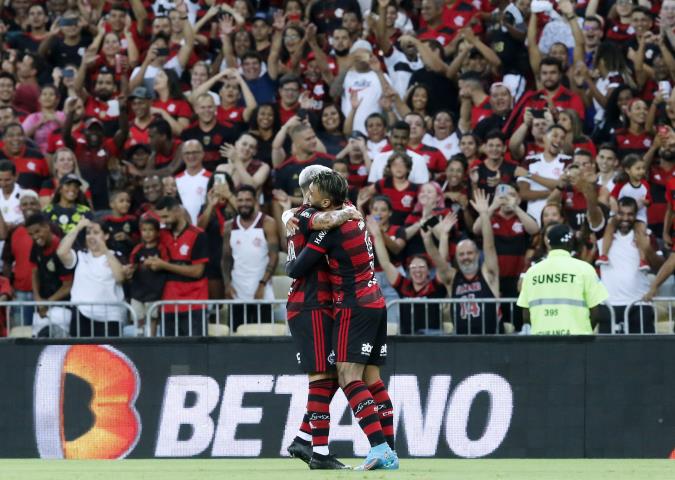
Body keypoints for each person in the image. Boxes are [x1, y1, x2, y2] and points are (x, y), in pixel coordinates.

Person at [286, 171, 398, 471]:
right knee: (369, 379)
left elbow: (296, 268)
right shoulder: (351, 211)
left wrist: (289, 253)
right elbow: (309, 214)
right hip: (374, 301)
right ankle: (387, 451)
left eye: (313, 192)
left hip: (350, 305)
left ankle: (378, 449)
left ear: (325, 200)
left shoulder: (328, 225)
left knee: (344, 377)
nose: (307, 196)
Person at [283, 164, 353, 470]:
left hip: (320, 304)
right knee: (321, 378)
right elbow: (329, 217)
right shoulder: (307, 216)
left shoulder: (296, 216)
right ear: (314, 190)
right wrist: (349, 214)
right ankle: (320, 453)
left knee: (334, 375)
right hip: (311, 303)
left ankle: (302, 438)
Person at [517, 224, 609, 335]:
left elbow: (526, 316)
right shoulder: (585, 269)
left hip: (542, 341)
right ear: (570, 242)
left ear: (549, 243)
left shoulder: (532, 272)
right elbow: (596, 312)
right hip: (577, 342)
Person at [598, 197, 663, 333]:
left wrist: (647, 249)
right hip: (609, 306)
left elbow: (660, 268)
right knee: (607, 353)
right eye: (621, 213)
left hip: (639, 304)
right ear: (615, 213)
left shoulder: (646, 235)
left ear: (636, 215)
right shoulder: (603, 236)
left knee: (644, 352)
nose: (625, 218)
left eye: (630, 214)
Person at [56, 218, 127, 337]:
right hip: (81, 314)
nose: (91, 236)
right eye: (88, 233)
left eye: (96, 233)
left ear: (106, 236)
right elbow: (61, 252)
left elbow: (120, 278)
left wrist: (105, 251)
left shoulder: (115, 256)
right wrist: (78, 228)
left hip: (109, 316)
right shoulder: (80, 256)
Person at [221, 185, 279, 331]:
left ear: (255, 201)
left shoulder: (267, 223)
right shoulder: (229, 226)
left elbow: (274, 257)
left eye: (248, 200)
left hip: (261, 289)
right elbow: (226, 259)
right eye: (240, 200)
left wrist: (262, 284)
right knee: (236, 334)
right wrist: (227, 284)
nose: (244, 203)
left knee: (264, 333)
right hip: (237, 289)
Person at [150, 196, 209, 336]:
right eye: (160, 218)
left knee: (195, 351)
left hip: (194, 303)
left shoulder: (198, 235)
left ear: (178, 211)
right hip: (167, 303)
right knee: (170, 352)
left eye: (166, 216)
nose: (163, 222)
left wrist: (164, 265)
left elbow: (197, 271)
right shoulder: (160, 235)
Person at [26, 213, 73, 337]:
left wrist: (47, 302)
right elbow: (34, 271)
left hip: (62, 307)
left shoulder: (62, 250)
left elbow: (68, 285)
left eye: (37, 231)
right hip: (42, 306)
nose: (35, 237)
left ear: (47, 227)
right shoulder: (36, 245)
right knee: (36, 342)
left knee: (58, 346)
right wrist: (37, 299)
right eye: (31, 234)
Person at [129, 217, 168, 336]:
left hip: (154, 293)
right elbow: (132, 266)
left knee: (153, 319)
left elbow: (166, 265)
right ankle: (139, 340)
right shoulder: (137, 249)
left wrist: (155, 264)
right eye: (144, 230)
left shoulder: (161, 249)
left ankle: (152, 341)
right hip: (137, 293)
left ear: (157, 232)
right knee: (138, 319)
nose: (147, 233)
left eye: (151, 230)